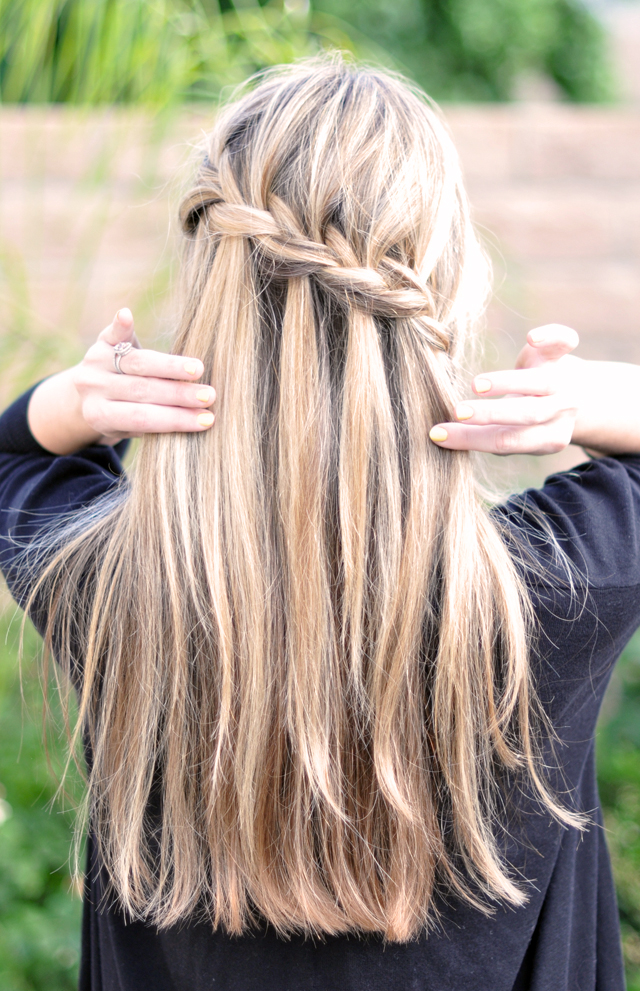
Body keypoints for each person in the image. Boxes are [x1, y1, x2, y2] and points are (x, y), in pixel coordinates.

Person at [0, 56, 639, 991]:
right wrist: (586, 399)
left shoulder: (105, 584)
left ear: (210, 291)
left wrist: (66, 403)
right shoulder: (556, 589)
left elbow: (15, 458)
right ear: (447, 279)